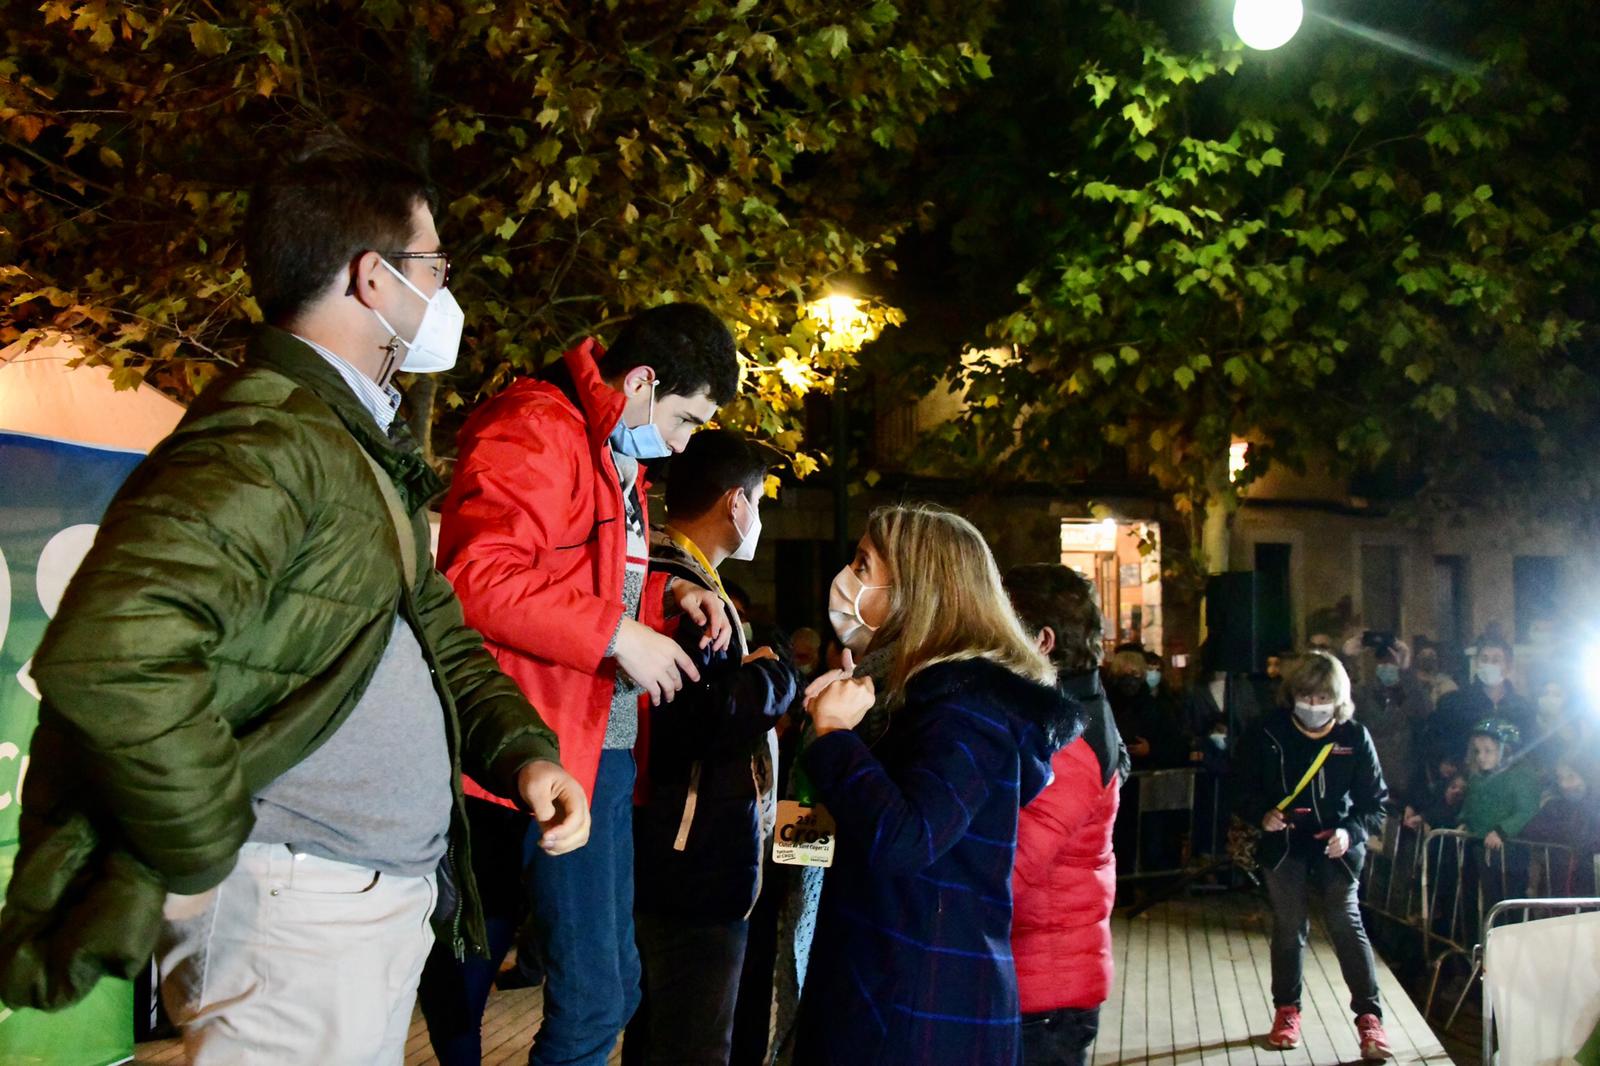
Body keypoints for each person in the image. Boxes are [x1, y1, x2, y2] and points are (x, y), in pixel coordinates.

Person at [0, 141, 592, 1063]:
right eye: (434, 268)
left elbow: (436, 631)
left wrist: (521, 753)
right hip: (293, 913)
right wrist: (202, 846)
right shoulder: (274, 433)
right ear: (374, 278)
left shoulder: (344, 439)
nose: (443, 296)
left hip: (345, 908)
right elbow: (113, 650)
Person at [429, 303, 740, 1066]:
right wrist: (617, 634)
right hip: (556, 742)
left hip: (593, 747)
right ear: (640, 381)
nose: (682, 444)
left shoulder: (604, 447)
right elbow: (477, 576)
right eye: (686, 420)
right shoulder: (539, 426)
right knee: (595, 1001)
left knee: (615, 990)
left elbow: (584, 579)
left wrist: (665, 601)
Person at [794, 505, 1083, 1065]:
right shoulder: (902, 693)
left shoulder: (967, 708)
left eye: (863, 564)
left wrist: (833, 736)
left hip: (919, 1006)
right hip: (883, 985)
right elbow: (845, 828)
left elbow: (907, 838)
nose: (846, 579)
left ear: (918, 588)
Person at [629, 430, 799, 1065]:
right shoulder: (685, 589)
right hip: (693, 856)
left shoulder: (663, 568)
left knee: (667, 1030)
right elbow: (700, 715)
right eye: (759, 501)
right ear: (736, 503)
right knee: (693, 1040)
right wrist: (774, 674)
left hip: (680, 848)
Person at [1235, 651, 1392, 1060]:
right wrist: (1261, 814)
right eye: (1306, 696)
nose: (1314, 706)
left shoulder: (1353, 737)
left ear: (1338, 698)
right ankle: (1287, 1010)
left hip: (1334, 847)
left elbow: (1375, 804)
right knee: (1289, 925)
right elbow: (1239, 786)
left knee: (1345, 921)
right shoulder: (1266, 732)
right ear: (1292, 695)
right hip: (1284, 845)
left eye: (1324, 698)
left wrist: (1349, 832)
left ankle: (1369, 1019)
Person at [1005, 564, 1127, 1066]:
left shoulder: (1070, 739)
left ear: (1042, 641)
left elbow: (1007, 873)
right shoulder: (1071, 712)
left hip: (1045, 997)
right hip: (1043, 983)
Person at [1427, 636, 1533, 774]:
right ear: (1476, 663)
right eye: (1484, 659)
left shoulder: (1521, 707)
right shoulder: (1455, 703)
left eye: (1496, 660)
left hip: (1510, 782)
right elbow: (1436, 741)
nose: (1489, 664)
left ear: (1508, 666)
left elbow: (1528, 747)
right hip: (1467, 781)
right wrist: (1443, 763)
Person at [1353, 640, 1427, 805]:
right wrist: (1348, 657)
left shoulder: (1405, 693)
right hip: (1372, 778)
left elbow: (1422, 712)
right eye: (1382, 662)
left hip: (1405, 781)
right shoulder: (1364, 695)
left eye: (1391, 661)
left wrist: (1406, 670)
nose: (1387, 666)